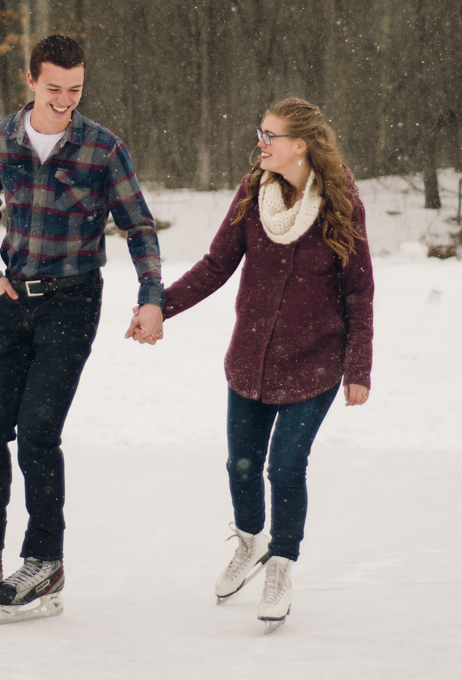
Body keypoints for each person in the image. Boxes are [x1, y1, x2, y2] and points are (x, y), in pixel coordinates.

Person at [0, 34, 165, 624]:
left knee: (35, 432)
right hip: (11, 300)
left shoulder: (103, 148)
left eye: (75, 89)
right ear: (30, 81)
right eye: (53, 88)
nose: (64, 100)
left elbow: (139, 228)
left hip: (73, 302)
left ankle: (44, 562)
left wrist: (151, 298)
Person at [127, 97, 372, 632]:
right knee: (241, 467)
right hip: (252, 359)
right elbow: (217, 264)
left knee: (284, 467)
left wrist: (359, 368)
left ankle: (281, 563)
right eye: (260, 132)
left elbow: (358, 291)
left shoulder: (339, 202)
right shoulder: (251, 194)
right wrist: (159, 305)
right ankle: (249, 541)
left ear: (301, 145)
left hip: (315, 364)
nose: (260, 142)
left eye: (271, 135)